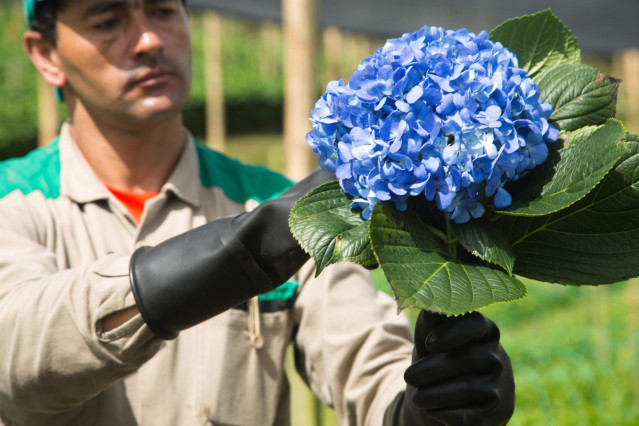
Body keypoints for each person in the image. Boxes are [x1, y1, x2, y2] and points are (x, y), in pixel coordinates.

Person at [0, 0, 515, 425]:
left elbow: (366, 358)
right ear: (45, 54)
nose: (149, 40)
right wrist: (246, 252)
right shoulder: (12, 204)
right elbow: (17, 354)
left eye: (162, 11)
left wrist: (424, 405)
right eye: (108, 20)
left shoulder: (273, 202)